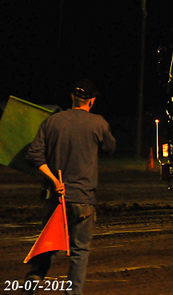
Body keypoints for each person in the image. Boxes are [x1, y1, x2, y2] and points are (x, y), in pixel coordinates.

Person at [23, 79, 116, 294]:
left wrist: (55, 181)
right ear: (91, 101)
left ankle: (31, 284)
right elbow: (110, 147)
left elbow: (34, 156)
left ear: (72, 98)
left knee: (47, 248)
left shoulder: (52, 122)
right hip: (83, 198)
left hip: (54, 198)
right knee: (79, 252)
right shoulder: (98, 123)